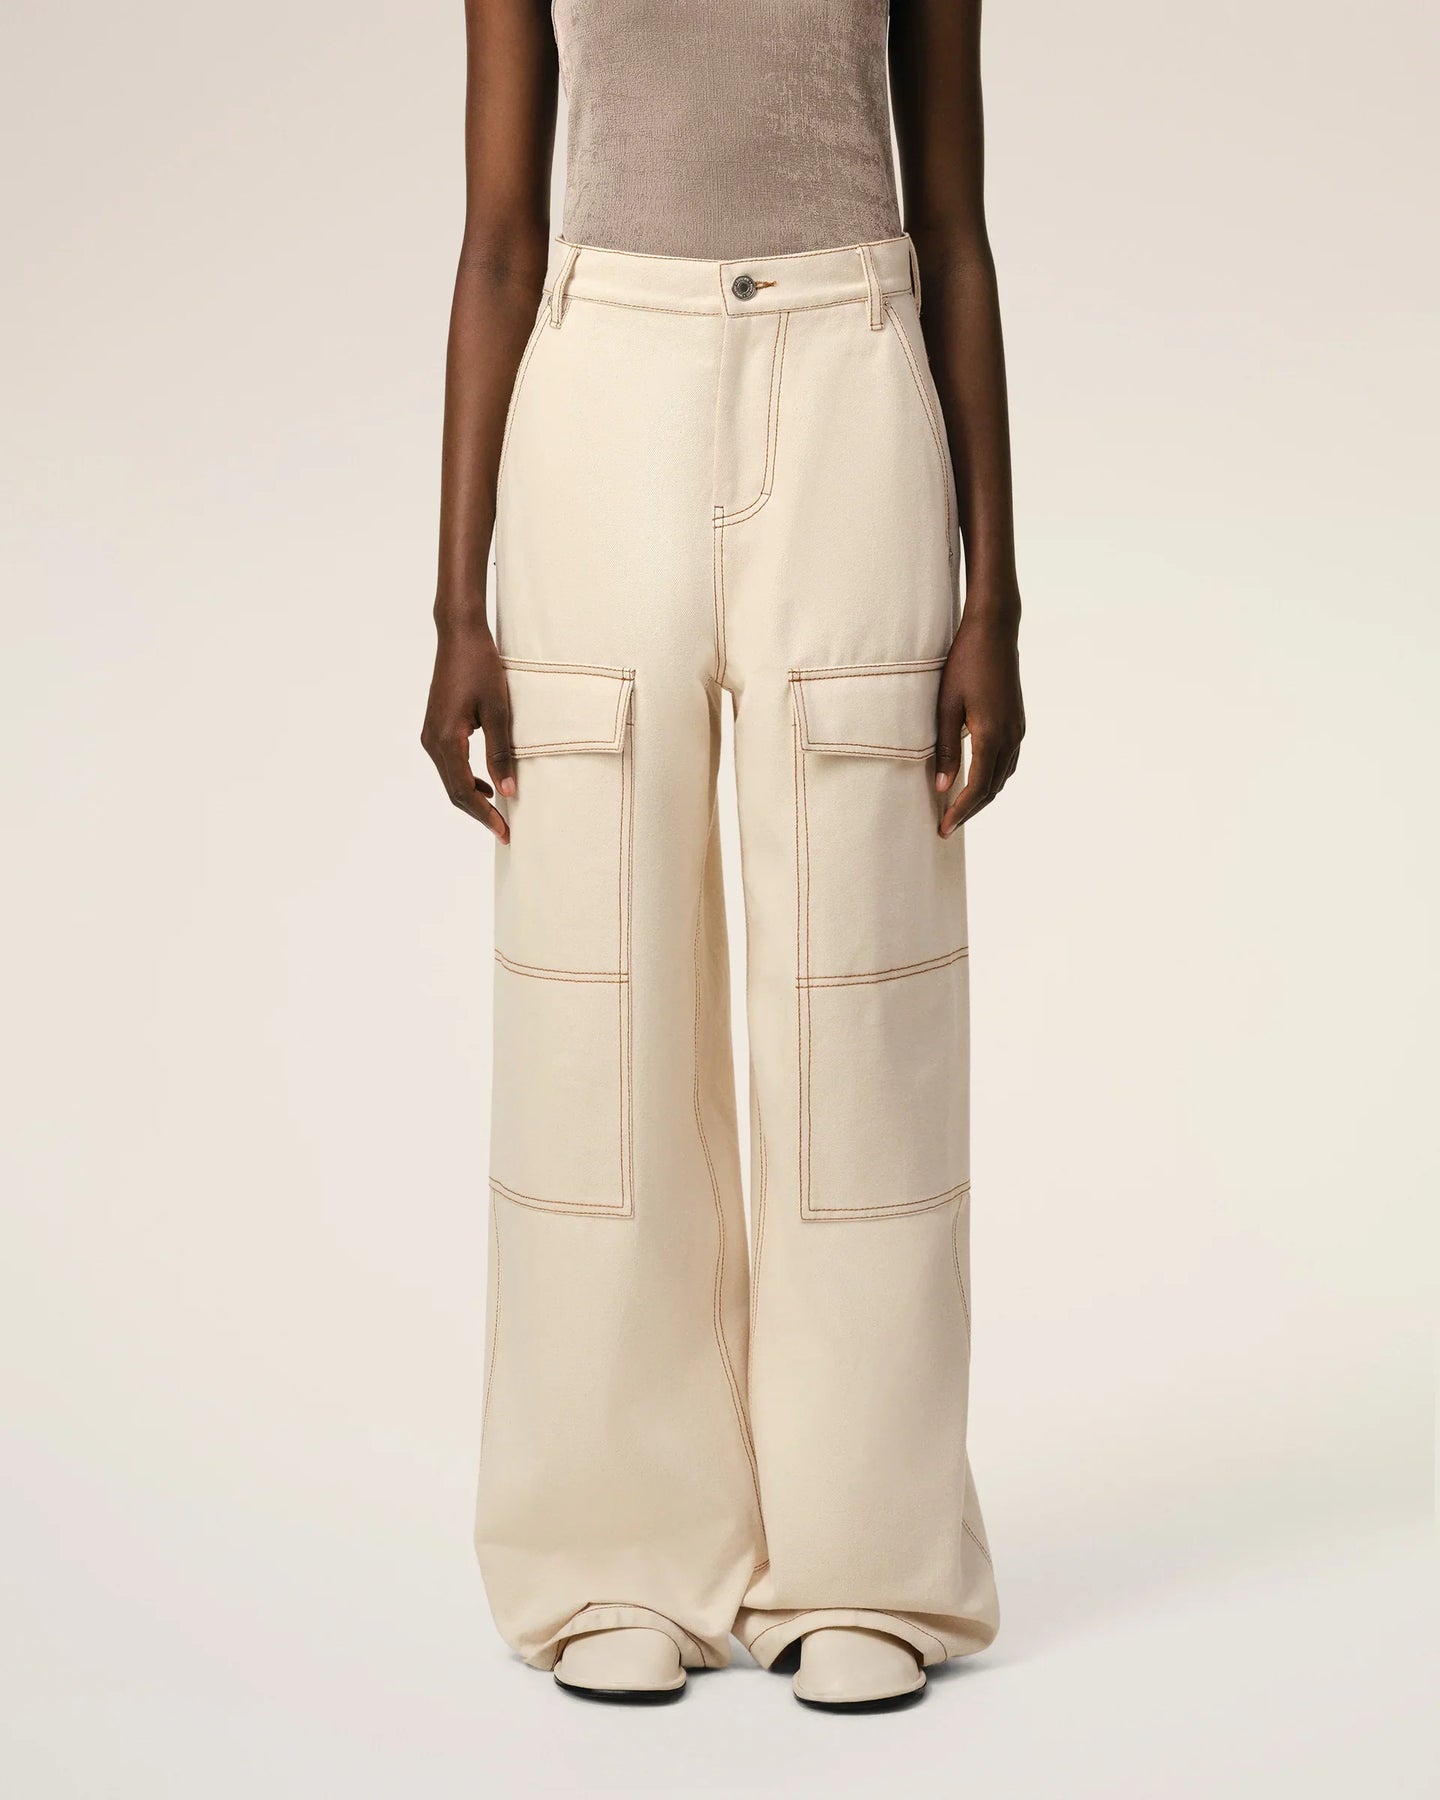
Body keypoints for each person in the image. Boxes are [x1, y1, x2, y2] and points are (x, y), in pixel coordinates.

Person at [422, 0, 1025, 1710]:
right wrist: (457, 606)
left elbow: (956, 228)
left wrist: (995, 595)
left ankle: (869, 1560)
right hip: (598, 383)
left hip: (853, 380)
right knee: (597, 1012)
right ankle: (615, 1551)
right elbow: (498, 238)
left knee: (861, 1011)